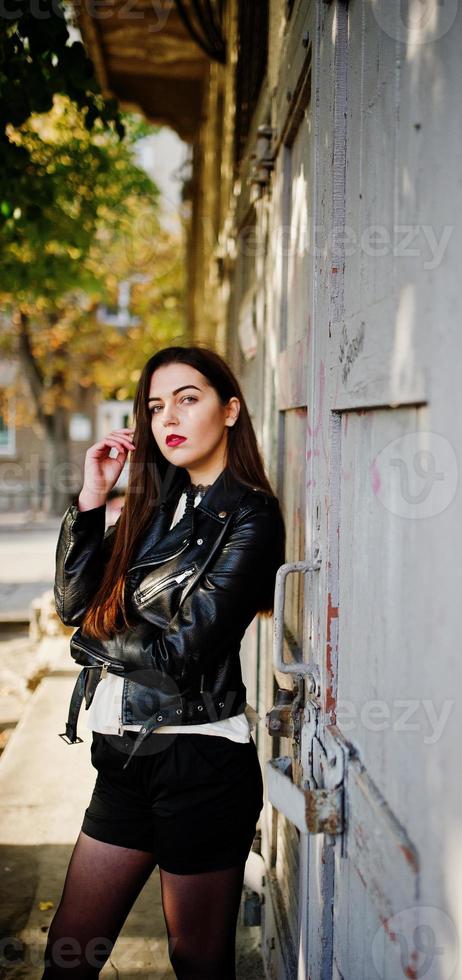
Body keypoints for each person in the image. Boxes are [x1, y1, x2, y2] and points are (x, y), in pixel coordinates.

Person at [43, 345, 286, 979]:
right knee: (69, 953)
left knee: (197, 963)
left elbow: (179, 654)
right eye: (155, 406)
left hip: (199, 761)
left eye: (188, 398)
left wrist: (92, 644)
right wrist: (93, 497)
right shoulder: (156, 505)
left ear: (230, 410)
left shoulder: (250, 515)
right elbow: (75, 602)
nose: (168, 418)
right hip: (125, 761)